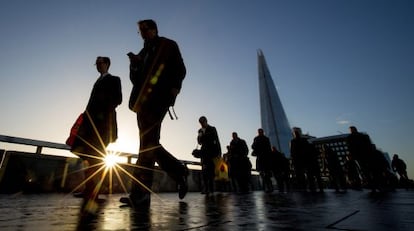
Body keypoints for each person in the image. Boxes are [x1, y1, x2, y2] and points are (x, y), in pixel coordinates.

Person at [121, 19, 188, 208]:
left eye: (144, 29)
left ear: (154, 29)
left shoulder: (168, 45)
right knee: (147, 145)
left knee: (148, 145)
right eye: (139, 30)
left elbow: (180, 69)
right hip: (142, 103)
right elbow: (135, 79)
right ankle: (178, 172)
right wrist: (134, 65)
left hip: (159, 100)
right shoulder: (142, 53)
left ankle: (140, 195)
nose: (142, 33)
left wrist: (174, 89)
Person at [70, 56, 122, 215]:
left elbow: (118, 99)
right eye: (96, 63)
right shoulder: (97, 81)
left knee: (97, 155)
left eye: (101, 63)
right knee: (87, 154)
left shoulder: (114, 79)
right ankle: (90, 189)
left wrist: (101, 111)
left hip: (103, 124)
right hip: (90, 123)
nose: (98, 65)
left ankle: (96, 190)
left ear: (107, 64)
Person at [290, 127, 324, 192]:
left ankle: (306, 187)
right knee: (309, 175)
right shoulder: (303, 141)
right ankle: (312, 187)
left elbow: (293, 152)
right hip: (306, 160)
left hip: (301, 161)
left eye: (295, 133)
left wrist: (293, 160)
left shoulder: (294, 141)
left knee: (304, 175)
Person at [197, 116, 222, 194]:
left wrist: (219, 152)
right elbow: (199, 142)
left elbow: (216, 139)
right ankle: (206, 188)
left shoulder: (212, 129)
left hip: (212, 152)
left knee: (211, 170)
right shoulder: (200, 130)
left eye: (202, 122)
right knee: (204, 170)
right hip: (204, 153)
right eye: (200, 122)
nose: (201, 124)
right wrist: (199, 137)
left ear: (206, 121)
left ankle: (211, 188)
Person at [346, 126, 375, 190]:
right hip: (364, 155)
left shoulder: (350, 137)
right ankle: (371, 181)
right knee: (366, 168)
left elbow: (350, 147)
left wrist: (352, 155)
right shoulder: (362, 136)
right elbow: (369, 144)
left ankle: (369, 181)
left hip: (360, 155)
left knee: (363, 168)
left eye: (351, 130)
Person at [251, 128, 273, 193]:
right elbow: (253, 146)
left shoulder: (259, 139)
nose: (260, 133)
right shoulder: (264, 139)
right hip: (263, 158)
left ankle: (267, 186)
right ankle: (267, 186)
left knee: (264, 172)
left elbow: (253, 146)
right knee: (264, 172)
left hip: (263, 158)